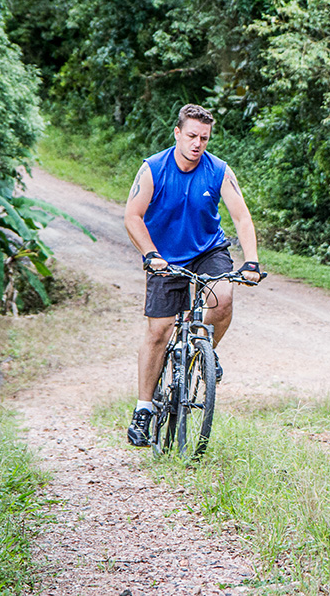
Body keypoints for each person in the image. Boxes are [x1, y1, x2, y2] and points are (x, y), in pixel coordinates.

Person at [123, 103, 262, 446]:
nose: (197, 144)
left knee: (224, 297)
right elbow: (133, 217)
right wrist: (150, 254)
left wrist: (252, 261)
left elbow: (242, 218)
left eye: (204, 138)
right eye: (191, 136)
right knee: (159, 331)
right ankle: (143, 409)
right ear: (177, 134)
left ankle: (203, 352)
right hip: (163, 256)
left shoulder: (218, 170)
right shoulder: (154, 168)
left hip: (207, 250)